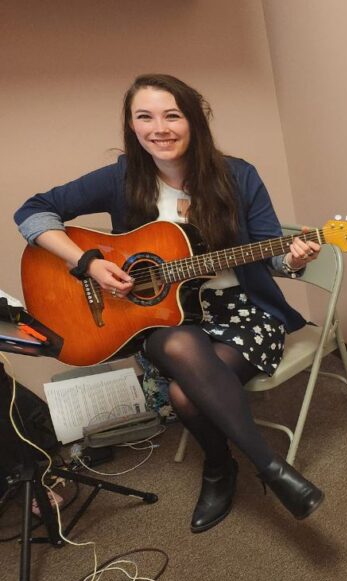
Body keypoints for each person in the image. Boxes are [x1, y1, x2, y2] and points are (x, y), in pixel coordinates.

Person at [13, 74, 324, 533]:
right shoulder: (121, 177)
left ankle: (220, 469)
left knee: (183, 392)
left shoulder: (238, 175)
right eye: (145, 117)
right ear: (132, 127)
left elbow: (271, 253)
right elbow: (32, 211)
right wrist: (87, 264)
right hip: (160, 318)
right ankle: (271, 467)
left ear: (194, 121)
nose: (159, 127)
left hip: (241, 310)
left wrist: (293, 256)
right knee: (175, 344)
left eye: (172, 115)